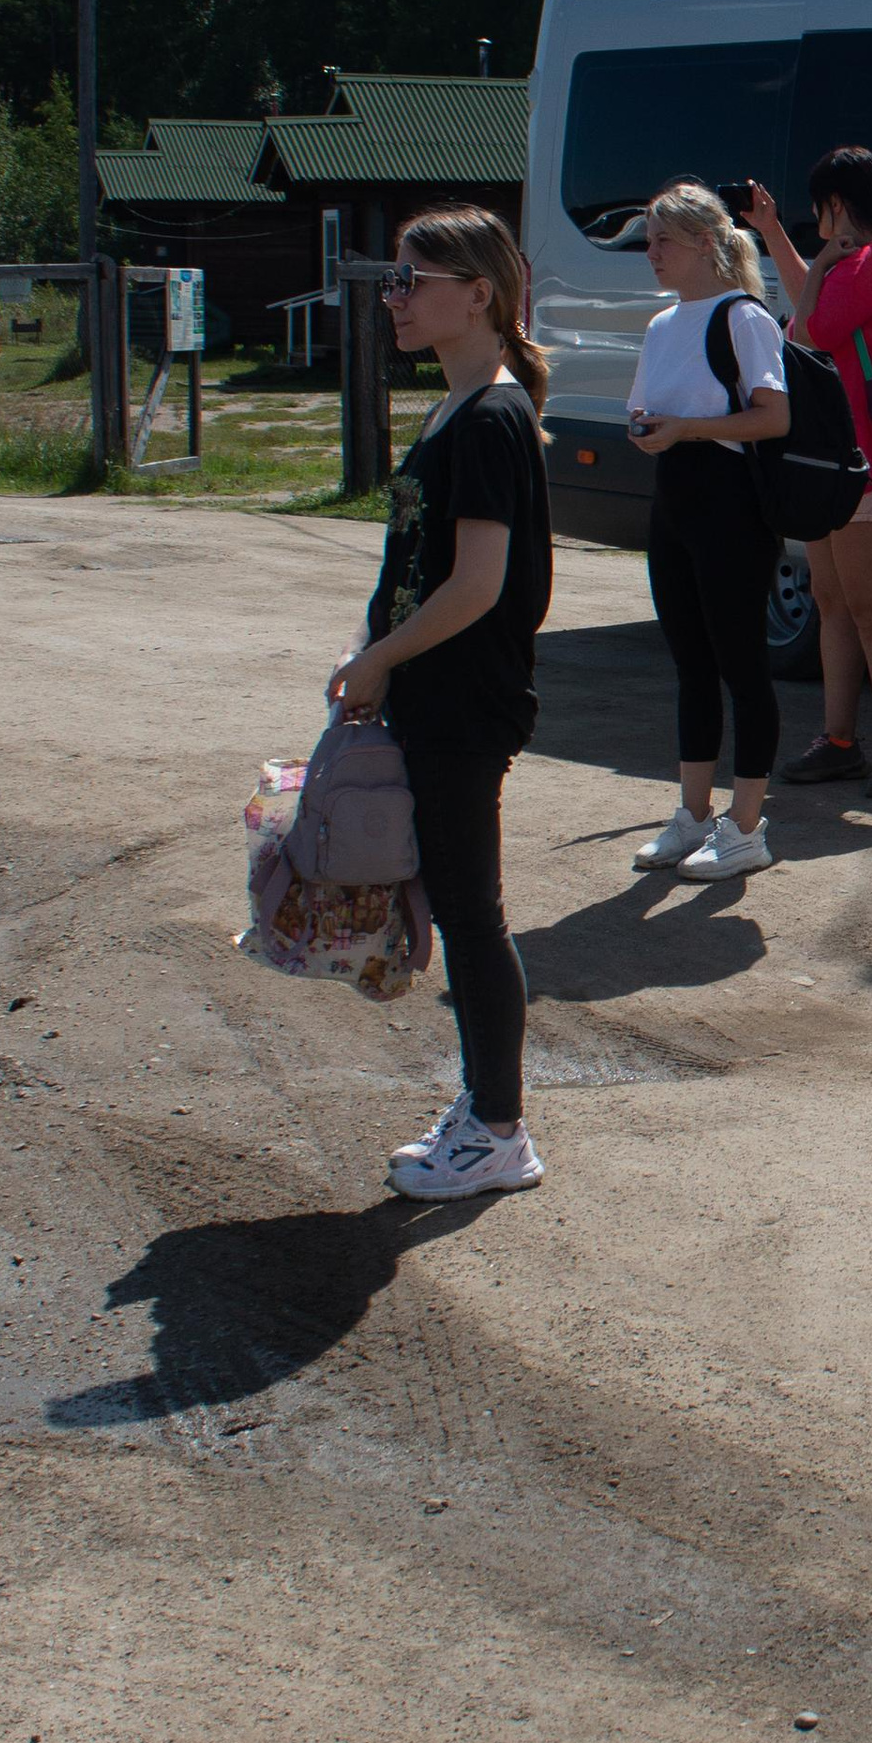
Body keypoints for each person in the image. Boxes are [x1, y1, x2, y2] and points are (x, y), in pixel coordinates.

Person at [327, 207, 553, 1202]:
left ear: (480, 295)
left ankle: (497, 1130)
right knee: (458, 907)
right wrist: (373, 650)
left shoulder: (495, 416)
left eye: (413, 280)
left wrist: (383, 658)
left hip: (463, 701)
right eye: (394, 282)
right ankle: (483, 1113)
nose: (396, 299)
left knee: (471, 914)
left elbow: (478, 586)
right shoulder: (454, 408)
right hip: (432, 691)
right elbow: (421, 570)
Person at [624, 181, 793, 882]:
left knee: (741, 667)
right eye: (649, 238)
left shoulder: (743, 316)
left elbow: (774, 417)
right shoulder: (664, 324)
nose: (651, 251)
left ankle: (747, 826)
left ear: (703, 244)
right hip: (674, 506)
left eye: (663, 238)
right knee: (690, 665)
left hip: (731, 507)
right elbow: (644, 411)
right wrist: (647, 432)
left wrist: (689, 428)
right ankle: (693, 815)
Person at [749, 148, 872, 800]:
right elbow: (807, 312)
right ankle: (840, 740)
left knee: (869, 608)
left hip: (870, 460)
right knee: (832, 602)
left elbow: (814, 330)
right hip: (833, 459)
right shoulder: (852, 263)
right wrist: (771, 231)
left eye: (816, 208)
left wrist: (821, 258)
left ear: (835, 206)